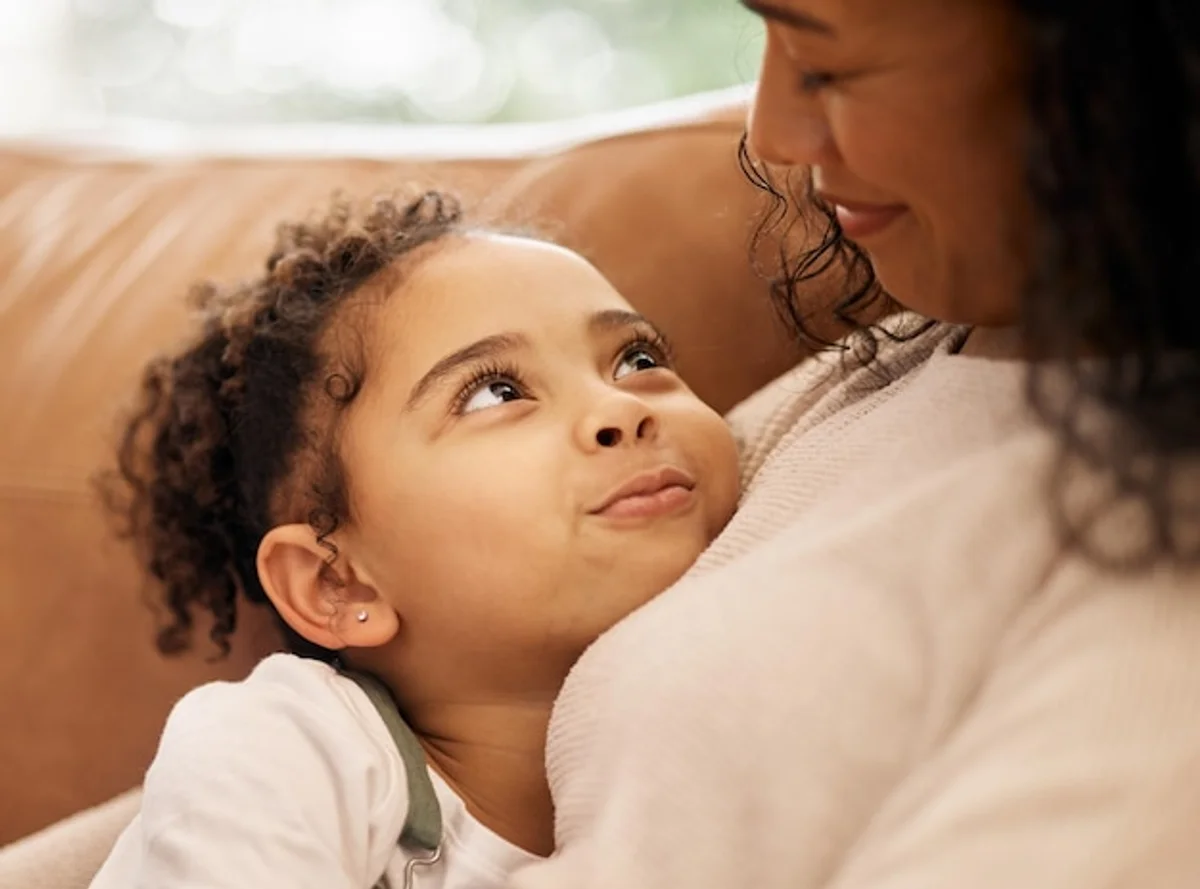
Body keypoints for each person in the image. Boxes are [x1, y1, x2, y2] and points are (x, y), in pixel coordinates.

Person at [504, 1, 1200, 888]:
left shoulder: (1157, 602)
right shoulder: (932, 342)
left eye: (827, 68)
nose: (772, 135)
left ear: (1123, 80)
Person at [86, 192, 741, 889]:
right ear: (339, 582)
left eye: (636, 358)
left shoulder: (730, 762)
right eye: (495, 392)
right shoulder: (285, 744)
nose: (622, 408)